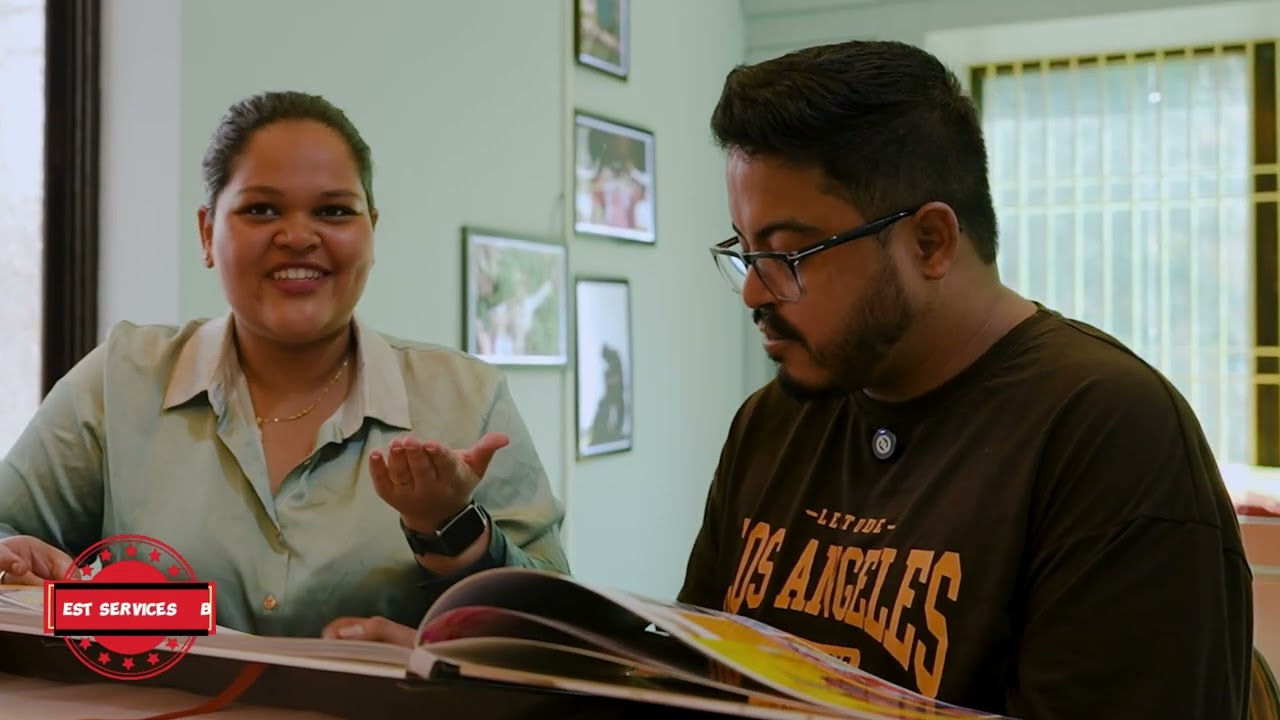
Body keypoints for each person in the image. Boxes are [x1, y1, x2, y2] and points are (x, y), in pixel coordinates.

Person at [680, 40, 1253, 719]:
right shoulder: (770, 423)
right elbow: (697, 679)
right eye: (744, 253)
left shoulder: (1108, 432)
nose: (752, 292)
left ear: (930, 242)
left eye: (787, 254)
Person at [0, 91, 569, 642]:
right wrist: (47, 586)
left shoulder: (467, 400)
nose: (298, 236)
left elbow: (556, 632)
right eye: (261, 209)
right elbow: (11, 542)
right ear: (207, 232)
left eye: (334, 211)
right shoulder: (120, 381)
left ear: (371, 231)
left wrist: (450, 530)